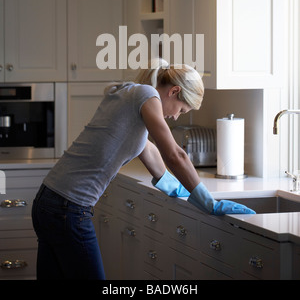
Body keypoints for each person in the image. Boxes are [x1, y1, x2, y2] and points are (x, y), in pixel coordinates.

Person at [31, 60, 255, 280]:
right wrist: (207, 201)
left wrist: (178, 189)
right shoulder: (145, 95)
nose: (175, 117)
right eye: (181, 109)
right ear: (174, 91)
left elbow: (149, 152)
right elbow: (175, 155)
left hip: (48, 199)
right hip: (68, 208)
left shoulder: (131, 95)